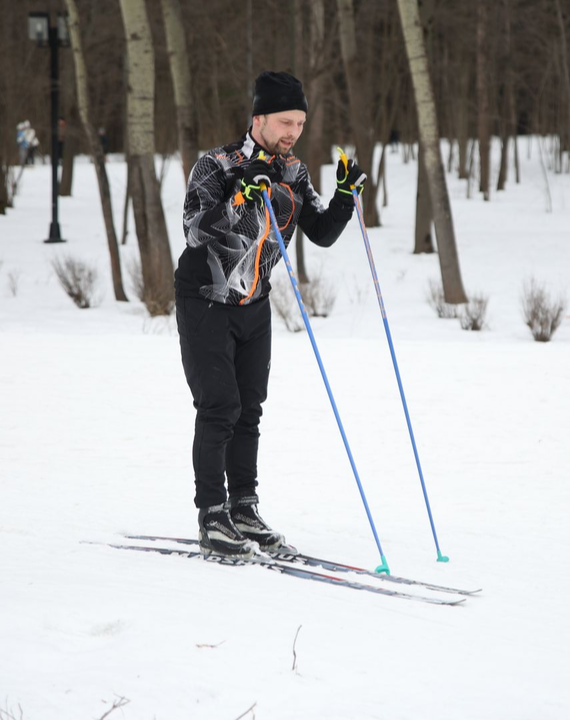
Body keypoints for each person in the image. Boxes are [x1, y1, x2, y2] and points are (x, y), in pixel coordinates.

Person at [175, 70, 366, 557]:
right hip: (206, 299)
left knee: (250, 410)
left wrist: (345, 197)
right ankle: (212, 515)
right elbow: (196, 229)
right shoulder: (216, 165)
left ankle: (243, 507)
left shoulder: (294, 172)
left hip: (254, 304)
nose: (293, 132)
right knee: (219, 406)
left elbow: (320, 231)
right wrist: (242, 194)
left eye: (300, 123)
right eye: (285, 121)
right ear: (257, 118)